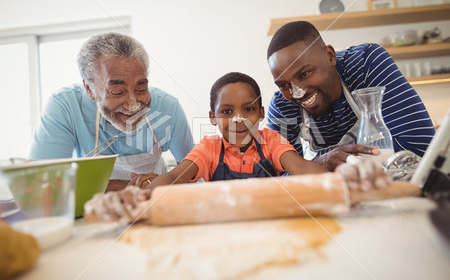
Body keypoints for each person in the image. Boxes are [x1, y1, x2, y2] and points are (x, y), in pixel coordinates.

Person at [84, 72, 389, 223]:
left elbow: (304, 169)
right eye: (227, 112)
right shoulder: (209, 147)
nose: (239, 119)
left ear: (261, 114)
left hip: (273, 222)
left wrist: (343, 178)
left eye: (249, 110)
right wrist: (139, 196)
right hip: (222, 224)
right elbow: (174, 178)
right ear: (213, 118)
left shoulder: (271, 140)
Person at [29, 32, 194, 190]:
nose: (133, 105)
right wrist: (131, 188)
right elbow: (40, 182)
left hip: (154, 206)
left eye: (141, 88)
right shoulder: (66, 107)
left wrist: (159, 186)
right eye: (117, 92)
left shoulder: (168, 108)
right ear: (90, 89)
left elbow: (194, 176)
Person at [266, 21, 436, 171]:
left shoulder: (365, 63)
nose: (298, 92)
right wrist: (324, 162)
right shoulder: (282, 105)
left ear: (330, 56)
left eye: (304, 74)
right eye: (284, 85)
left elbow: (419, 146)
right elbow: (277, 179)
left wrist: (314, 166)